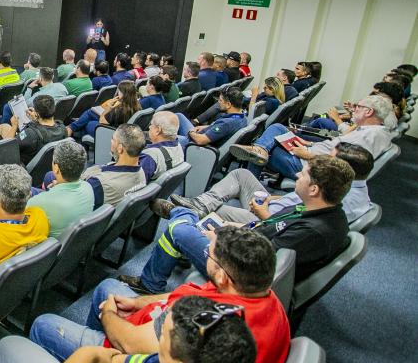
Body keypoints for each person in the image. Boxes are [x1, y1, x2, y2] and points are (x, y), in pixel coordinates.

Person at [29, 226, 289, 363]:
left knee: (43, 325)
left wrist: (108, 317)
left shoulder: (207, 328)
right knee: (106, 287)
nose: (205, 255)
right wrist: (137, 302)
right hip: (147, 337)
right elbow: (182, 295)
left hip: (134, 349)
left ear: (222, 275)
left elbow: (132, 346)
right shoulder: (255, 291)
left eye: (208, 254)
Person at [131, 155, 352, 299]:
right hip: (247, 242)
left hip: (241, 274)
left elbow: (258, 262)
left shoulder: (314, 232)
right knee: (204, 218)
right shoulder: (316, 209)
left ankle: (150, 283)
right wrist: (234, 227)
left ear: (314, 189)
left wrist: (221, 239)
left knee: (178, 229)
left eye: (303, 175)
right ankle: (185, 218)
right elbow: (268, 228)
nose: (297, 175)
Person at [0, 295, 257, 363]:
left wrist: (87, 354)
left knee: (8, 345)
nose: (157, 336)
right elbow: (119, 362)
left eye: (163, 335)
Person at [172, 142, 374, 225]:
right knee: (241, 174)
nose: (323, 159)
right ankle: (201, 204)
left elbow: (289, 227)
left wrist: (264, 213)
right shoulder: (339, 184)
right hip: (273, 205)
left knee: (216, 210)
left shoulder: (345, 202)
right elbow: (300, 202)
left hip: (266, 219)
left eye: (330, 157)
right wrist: (272, 199)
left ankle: (190, 226)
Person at [231, 94, 393, 179]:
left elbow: (345, 163)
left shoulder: (370, 136)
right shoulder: (372, 130)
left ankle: (250, 184)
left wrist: (307, 154)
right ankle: (260, 150)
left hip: (310, 163)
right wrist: (308, 144)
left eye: (358, 107)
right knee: (278, 128)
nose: (354, 110)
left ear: (368, 111)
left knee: (266, 152)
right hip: (311, 152)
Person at [28, 139, 93, 238]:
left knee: (30, 191)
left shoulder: (36, 203)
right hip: (71, 242)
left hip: (49, 245)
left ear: (56, 168)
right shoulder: (88, 187)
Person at [81, 124, 147, 208]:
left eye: (113, 139)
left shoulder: (99, 183)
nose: (111, 141)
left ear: (120, 148)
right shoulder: (142, 172)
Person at [0, 94, 67, 165]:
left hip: (24, 166)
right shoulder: (62, 128)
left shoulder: (30, 133)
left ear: (37, 114)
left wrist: (14, 126)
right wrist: (36, 120)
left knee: (3, 127)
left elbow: (7, 147)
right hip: (49, 164)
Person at [67, 80, 141, 139]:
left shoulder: (120, 109)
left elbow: (102, 121)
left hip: (111, 133)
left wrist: (108, 108)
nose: (118, 93)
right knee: (90, 114)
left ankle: (71, 129)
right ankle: (73, 130)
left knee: (89, 122)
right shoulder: (137, 105)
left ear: (123, 93)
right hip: (123, 131)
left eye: (119, 91)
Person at [177, 87, 246, 148]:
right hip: (200, 135)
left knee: (170, 138)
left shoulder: (226, 124)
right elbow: (220, 129)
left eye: (220, 100)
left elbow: (200, 140)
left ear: (228, 104)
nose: (218, 102)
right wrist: (207, 127)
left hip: (193, 144)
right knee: (178, 115)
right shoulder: (242, 117)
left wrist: (190, 132)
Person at [2, 67, 69, 125]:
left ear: (40, 78)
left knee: (7, 107)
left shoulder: (39, 97)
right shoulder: (62, 87)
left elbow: (25, 104)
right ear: (53, 77)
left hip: (42, 119)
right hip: (55, 119)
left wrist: (29, 88)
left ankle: (5, 129)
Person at [140, 112, 185, 183]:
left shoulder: (149, 157)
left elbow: (134, 184)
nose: (149, 127)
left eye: (151, 125)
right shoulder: (179, 146)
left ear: (158, 130)